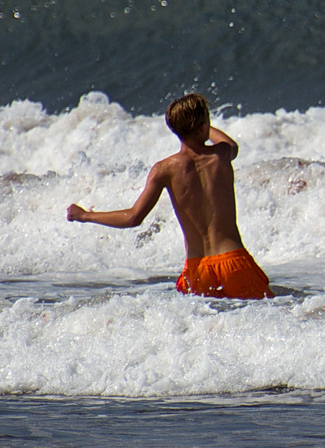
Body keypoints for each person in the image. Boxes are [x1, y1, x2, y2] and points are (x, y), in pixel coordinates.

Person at [67, 92, 273, 299]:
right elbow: (231, 144)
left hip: (197, 270)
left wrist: (85, 216)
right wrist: (203, 125)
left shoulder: (164, 170)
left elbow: (133, 217)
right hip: (233, 262)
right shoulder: (220, 155)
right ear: (203, 127)